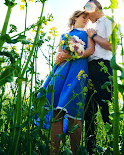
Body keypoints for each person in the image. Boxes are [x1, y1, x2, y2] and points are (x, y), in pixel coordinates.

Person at [40, 10, 95, 155]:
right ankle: (54, 152)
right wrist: (60, 57)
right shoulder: (64, 36)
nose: (86, 20)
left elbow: (90, 50)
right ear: (75, 17)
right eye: (83, 17)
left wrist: (72, 54)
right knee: (56, 112)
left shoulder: (88, 33)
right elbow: (58, 56)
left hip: (77, 72)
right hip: (61, 72)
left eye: (87, 18)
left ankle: (76, 152)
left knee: (74, 112)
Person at [83, 0, 116, 154]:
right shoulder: (92, 27)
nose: (86, 16)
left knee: (107, 109)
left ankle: (114, 147)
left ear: (94, 7)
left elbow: (111, 45)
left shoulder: (109, 22)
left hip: (103, 68)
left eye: (87, 10)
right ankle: (90, 149)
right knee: (88, 112)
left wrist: (94, 36)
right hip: (89, 69)